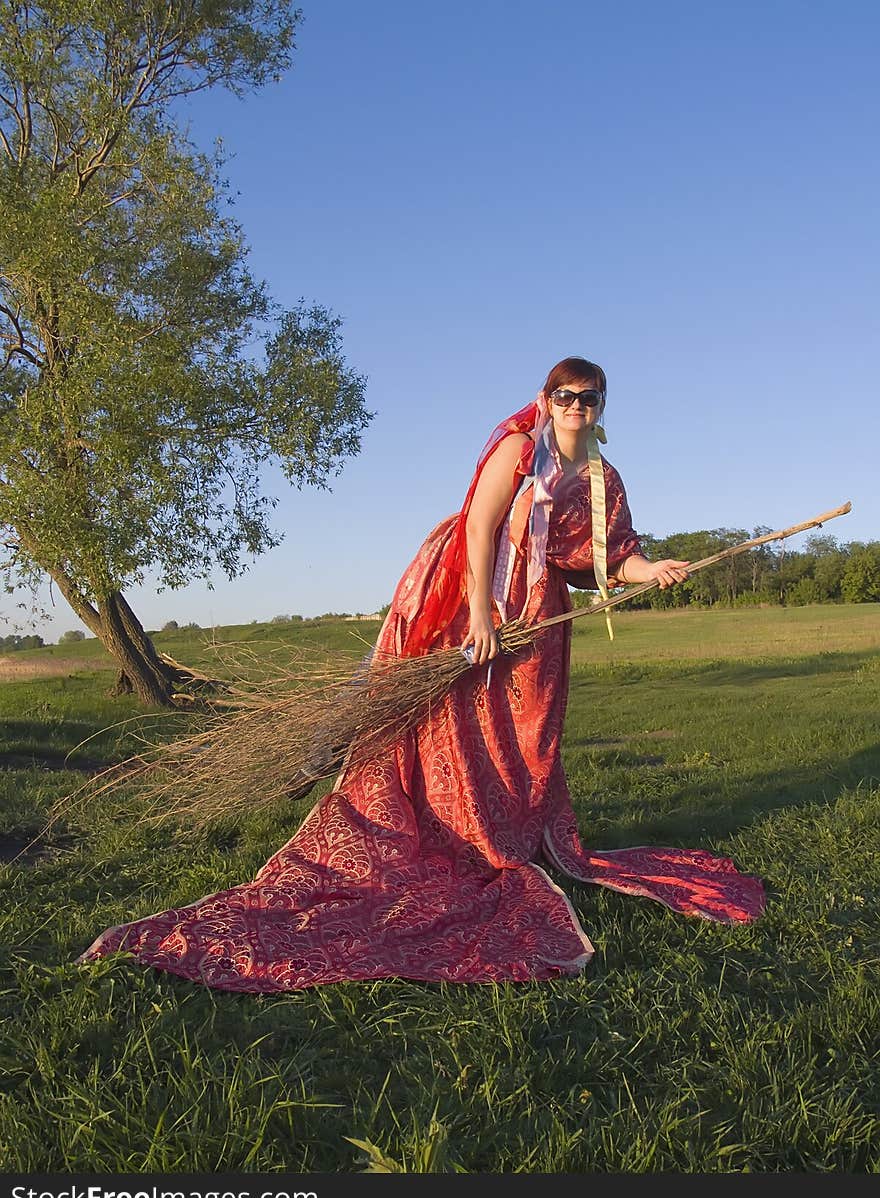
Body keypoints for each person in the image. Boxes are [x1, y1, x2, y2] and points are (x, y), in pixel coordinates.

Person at [79, 357, 765, 991]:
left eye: (590, 398)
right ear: (546, 399)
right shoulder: (520, 448)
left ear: (602, 405)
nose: (578, 406)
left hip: (541, 619)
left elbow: (608, 556)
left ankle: (505, 835)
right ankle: (451, 826)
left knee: (526, 729)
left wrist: (653, 569)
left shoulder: (601, 478)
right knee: (454, 721)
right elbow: (480, 527)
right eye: (567, 395)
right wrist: (479, 617)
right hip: (470, 594)